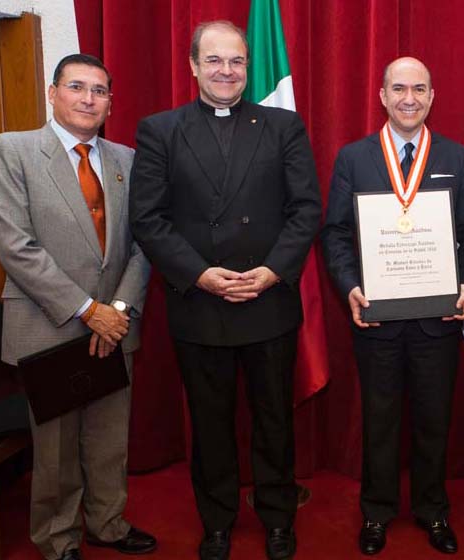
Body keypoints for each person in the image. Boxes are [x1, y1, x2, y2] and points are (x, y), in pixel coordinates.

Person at [128, 20, 320, 560]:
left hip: (267, 301)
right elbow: (148, 218)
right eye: (214, 60)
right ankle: (216, 523)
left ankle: (279, 519)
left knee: (274, 422)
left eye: (235, 61)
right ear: (192, 66)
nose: (226, 71)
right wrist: (200, 275)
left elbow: (306, 209)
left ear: (247, 67)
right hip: (200, 303)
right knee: (210, 427)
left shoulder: (283, 126)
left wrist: (275, 270)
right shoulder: (160, 130)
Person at [0, 54, 155, 560]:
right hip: (48, 322)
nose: (88, 98)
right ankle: (58, 540)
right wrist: (86, 309)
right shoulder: (11, 150)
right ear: (52, 92)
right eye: (76, 87)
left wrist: (116, 309)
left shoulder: (128, 159)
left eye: (99, 91)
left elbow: (145, 244)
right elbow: (15, 245)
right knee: (54, 450)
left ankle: (108, 523)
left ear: (110, 103)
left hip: (114, 325)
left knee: (108, 439)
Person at [321, 56, 464, 556]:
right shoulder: (354, 158)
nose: (409, 98)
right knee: (380, 420)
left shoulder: (456, 157)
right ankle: (377, 512)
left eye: (420, 89)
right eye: (399, 89)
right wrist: (348, 286)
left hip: (439, 318)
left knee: (435, 420)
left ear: (432, 96)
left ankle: (433, 511)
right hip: (378, 317)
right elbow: (337, 233)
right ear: (382, 96)